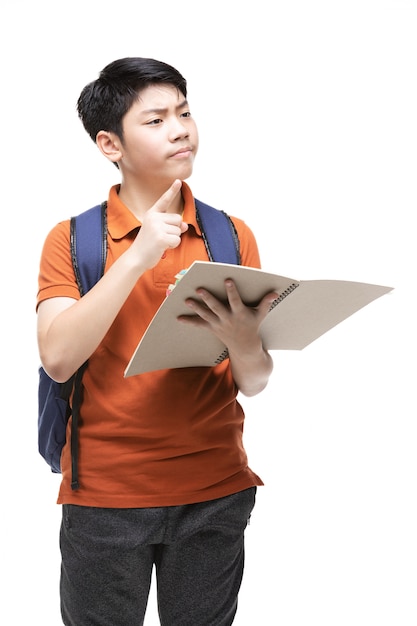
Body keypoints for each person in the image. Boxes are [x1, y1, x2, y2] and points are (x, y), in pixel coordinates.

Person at [36, 57, 278, 626]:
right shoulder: (72, 240)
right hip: (105, 499)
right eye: (155, 119)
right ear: (109, 143)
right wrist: (140, 254)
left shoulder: (229, 234)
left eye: (185, 113)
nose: (180, 129)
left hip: (216, 490)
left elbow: (257, 380)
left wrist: (244, 341)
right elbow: (57, 356)